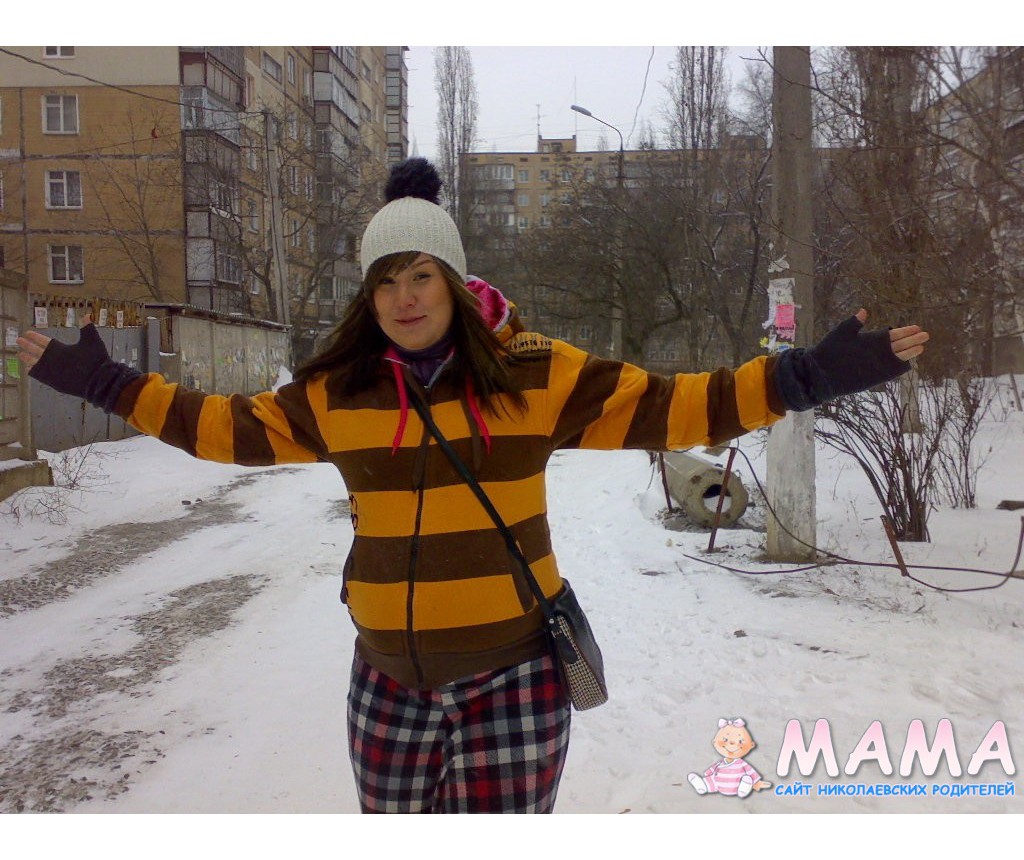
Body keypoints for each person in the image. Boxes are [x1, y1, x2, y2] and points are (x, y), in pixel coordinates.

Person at [17, 157, 929, 813]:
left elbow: (681, 406)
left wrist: (808, 375)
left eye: (421, 276)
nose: (404, 297)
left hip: (514, 677)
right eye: (385, 282)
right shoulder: (339, 393)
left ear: (453, 281)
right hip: (387, 682)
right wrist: (107, 383)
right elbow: (219, 428)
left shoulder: (536, 375)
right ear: (367, 297)